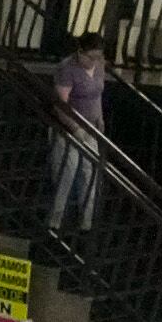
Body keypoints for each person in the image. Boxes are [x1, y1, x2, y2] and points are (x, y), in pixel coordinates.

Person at [48, 38, 112, 236]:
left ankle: (87, 222)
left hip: (91, 127)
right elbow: (61, 104)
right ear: (80, 52)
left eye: (98, 57)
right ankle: (55, 220)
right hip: (69, 129)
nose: (93, 61)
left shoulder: (99, 66)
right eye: (90, 57)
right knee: (67, 172)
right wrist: (75, 128)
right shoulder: (67, 68)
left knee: (89, 172)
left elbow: (97, 94)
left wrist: (100, 119)